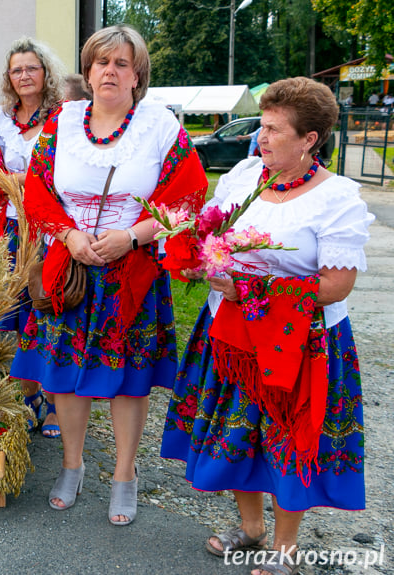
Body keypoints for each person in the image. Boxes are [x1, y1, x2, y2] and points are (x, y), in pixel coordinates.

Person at [161, 77, 372, 575]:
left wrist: (253, 291)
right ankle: (251, 528)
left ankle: (285, 547)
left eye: (275, 130)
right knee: (237, 433)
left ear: (309, 140)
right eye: (263, 126)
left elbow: (336, 287)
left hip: (301, 341)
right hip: (232, 333)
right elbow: (212, 234)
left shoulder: (338, 198)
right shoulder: (244, 174)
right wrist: (199, 262)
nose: (262, 138)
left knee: (288, 438)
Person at [11, 25, 207, 524]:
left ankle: (124, 474)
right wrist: (70, 236)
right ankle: (73, 467)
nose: (110, 72)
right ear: (89, 70)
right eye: (102, 63)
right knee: (66, 379)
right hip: (71, 269)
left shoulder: (160, 126)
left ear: (138, 75)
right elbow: (36, 189)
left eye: (122, 64)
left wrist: (133, 236)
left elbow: (188, 193)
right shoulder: (63, 121)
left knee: (127, 382)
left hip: (132, 273)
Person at [0, 36, 65, 436]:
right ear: (8, 77)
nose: (24, 75)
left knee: (47, 311)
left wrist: (18, 180)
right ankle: (28, 395)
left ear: (45, 72)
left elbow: (66, 174)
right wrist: (21, 182)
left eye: (32, 67)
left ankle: (52, 403)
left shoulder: (66, 117)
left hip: (53, 230)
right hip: (11, 229)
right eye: (17, 70)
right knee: (13, 314)